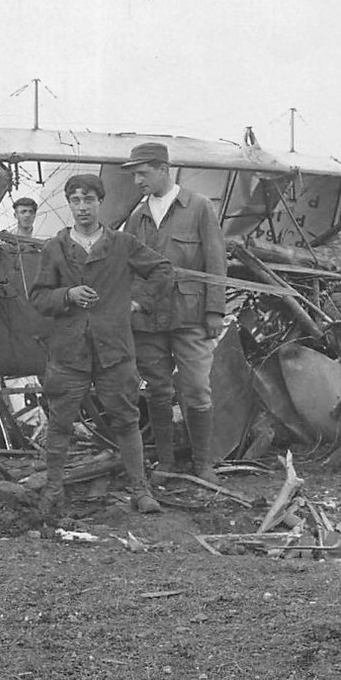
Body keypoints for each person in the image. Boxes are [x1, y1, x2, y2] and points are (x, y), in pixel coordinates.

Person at [30, 173, 172, 515]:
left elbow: (162, 270)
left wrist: (136, 302)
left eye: (89, 200)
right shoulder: (55, 248)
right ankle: (53, 491)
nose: (82, 207)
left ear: (100, 202)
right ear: (69, 205)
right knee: (61, 422)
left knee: (125, 419)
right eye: (76, 200)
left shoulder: (122, 244)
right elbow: (37, 297)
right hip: (69, 352)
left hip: (114, 350)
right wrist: (68, 294)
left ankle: (140, 491)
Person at [119, 142, 227, 482]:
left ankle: (203, 464)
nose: (137, 181)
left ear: (163, 169)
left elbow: (215, 261)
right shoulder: (137, 217)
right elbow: (128, 267)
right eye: (135, 174)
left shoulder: (198, 207)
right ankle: (166, 463)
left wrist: (215, 311)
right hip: (147, 319)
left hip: (191, 314)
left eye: (142, 173)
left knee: (196, 387)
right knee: (158, 389)